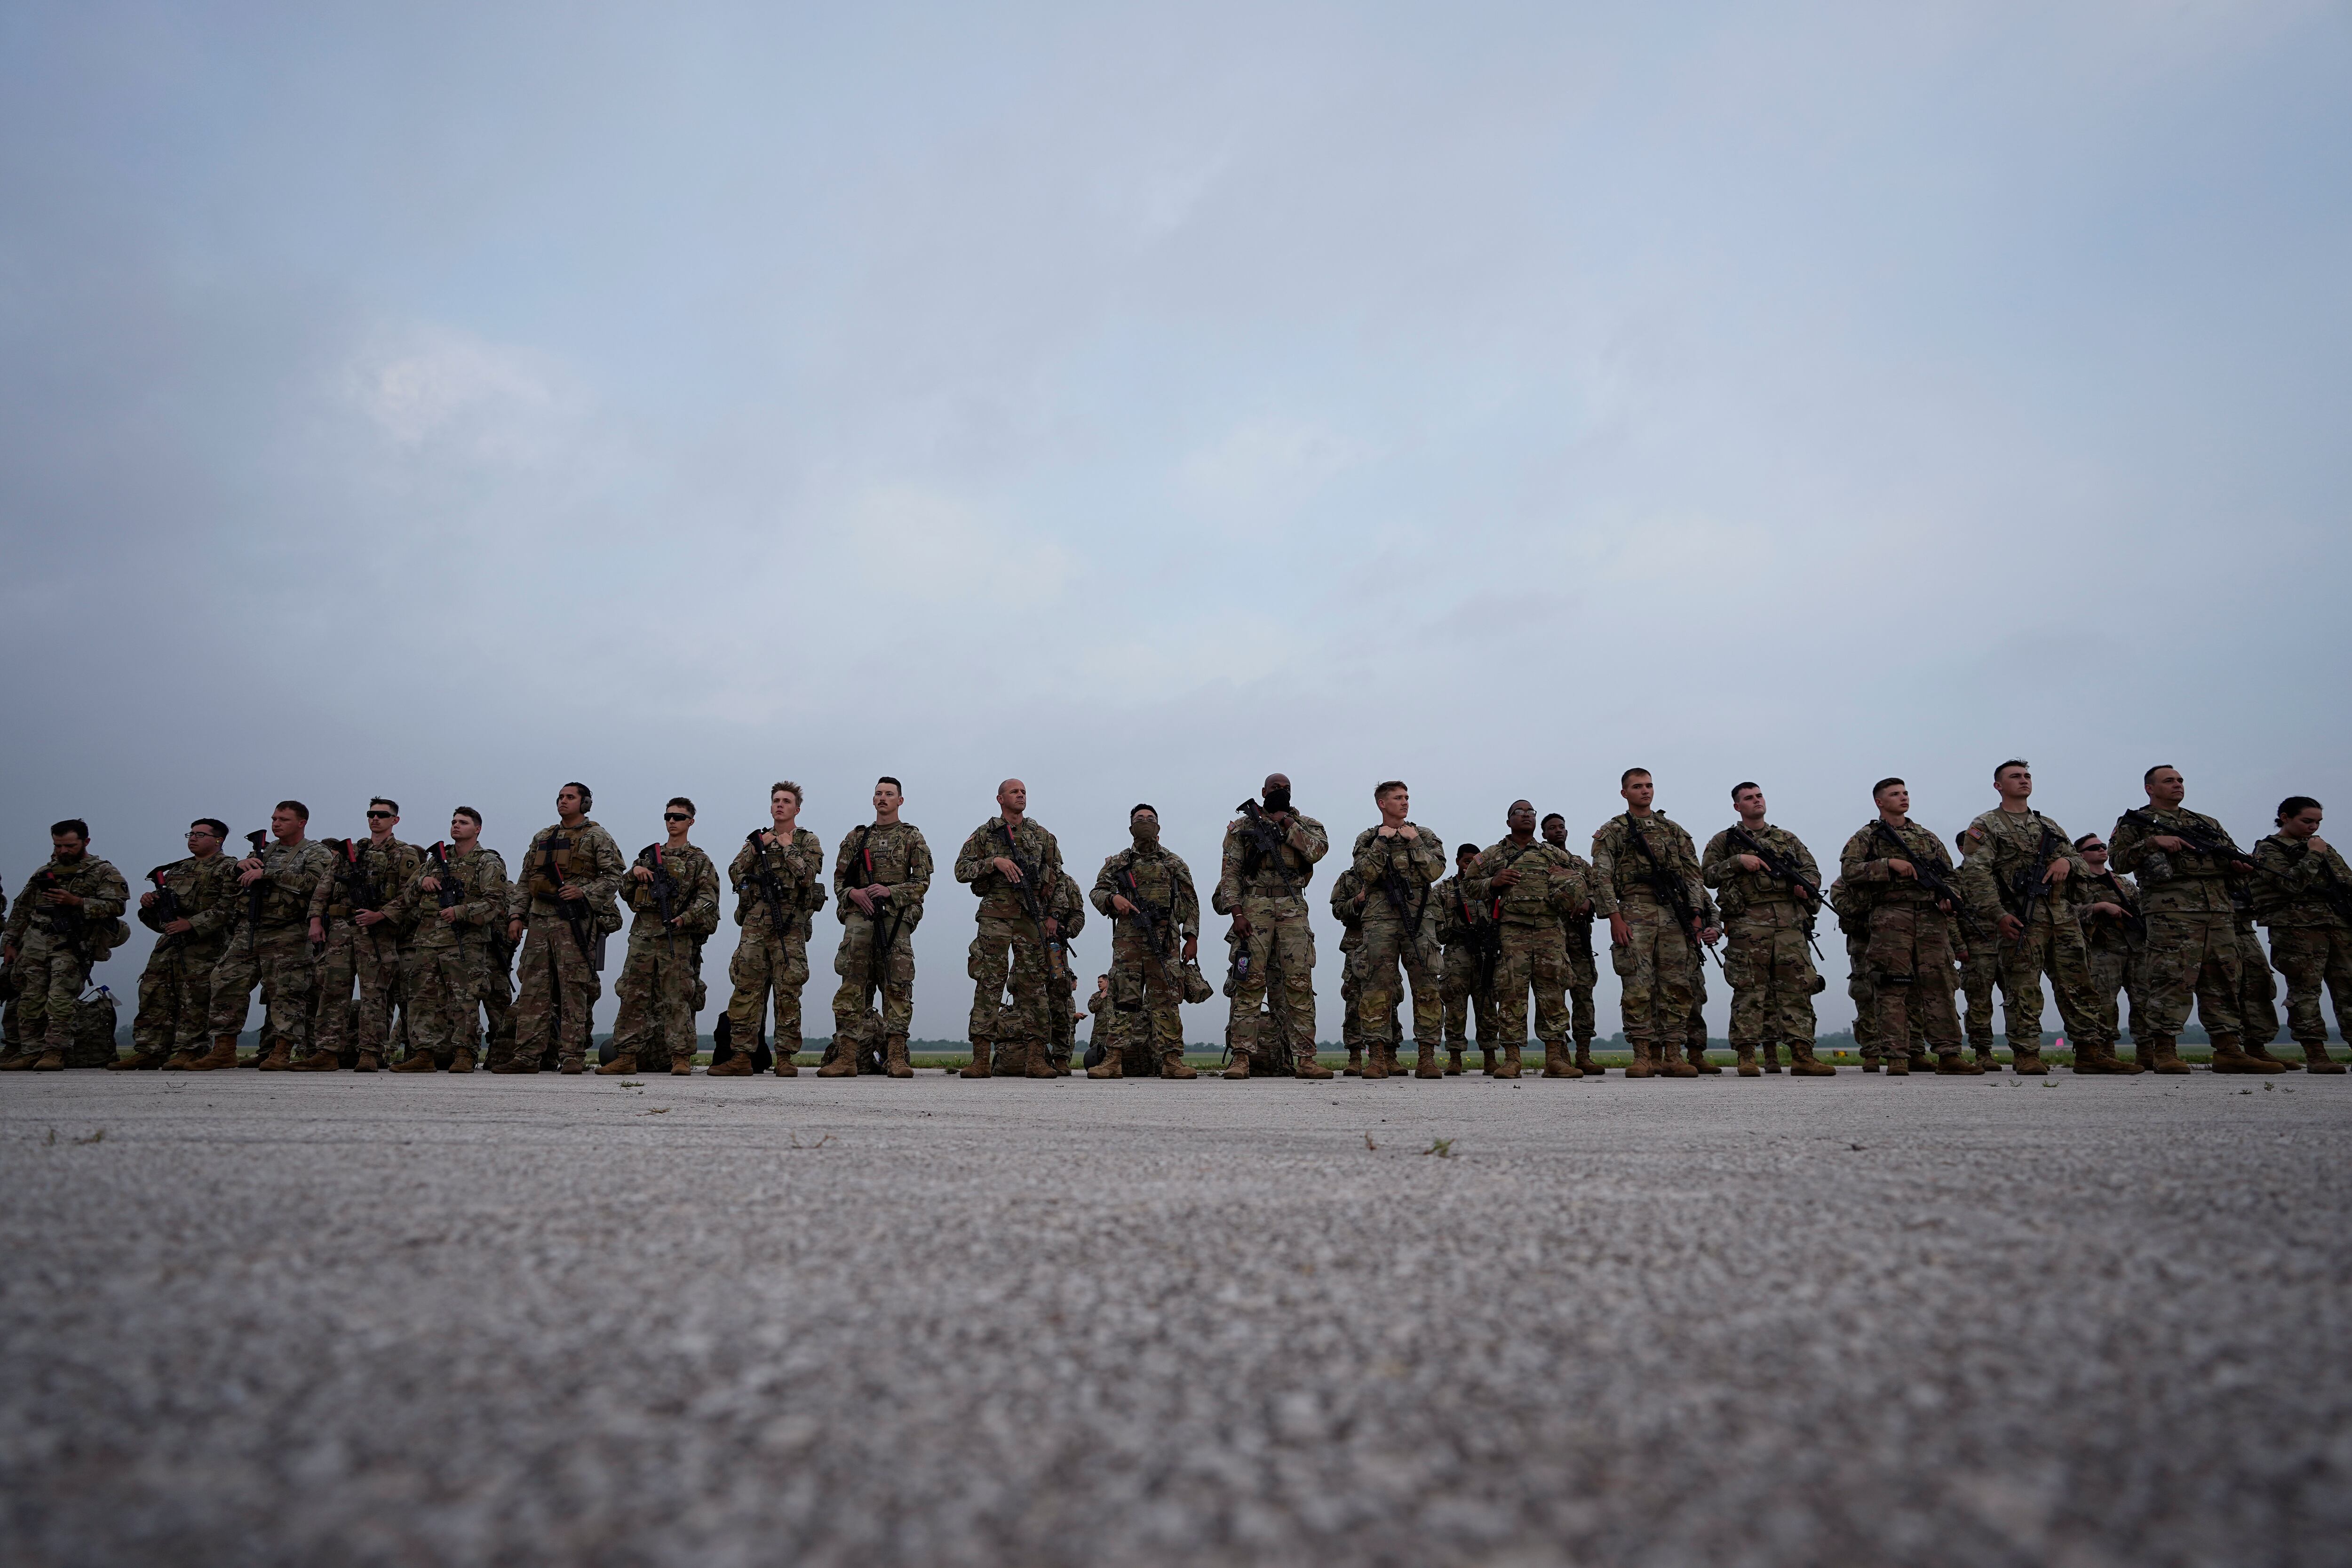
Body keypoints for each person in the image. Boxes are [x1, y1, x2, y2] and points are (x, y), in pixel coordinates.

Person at [2106, 766, 2281, 1074]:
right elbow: (2118, 862)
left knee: (2225, 980)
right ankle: (2164, 1050)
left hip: (2218, 911)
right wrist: (2152, 843)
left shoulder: (2205, 822)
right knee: (2171, 979)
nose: (2177, 785)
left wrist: (2239, 867)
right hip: (2171, 913)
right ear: (2150, 788)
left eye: (2180, 780)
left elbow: (2229, 856)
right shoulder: (2135, 822)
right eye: (2169, 781)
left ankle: (2228, 1049)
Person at [1957, 762, 2128, 1075]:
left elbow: (2078, 860)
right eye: (2015, 776)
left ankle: (2090, 1051)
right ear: (1998, 785)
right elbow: (1976, 875)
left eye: (2026, 776)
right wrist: (1998, 914)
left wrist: (2065, 860)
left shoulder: (2047, 825)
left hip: (2062, 915)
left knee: (2079, 984)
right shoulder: (1986, 825)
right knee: (2023, 987)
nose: (2023, 780)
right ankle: (2026, 1053)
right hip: (2022, 916)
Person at [1836, 778, 1979, 1075]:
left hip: (1930, 918)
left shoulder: (1927, 837)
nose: (1903, 798)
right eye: (1894, 794)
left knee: (1940, 985)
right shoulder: (1868, 837)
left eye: (1905, 793)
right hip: (1891, 916)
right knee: (1892, 986)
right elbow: (1849, 871)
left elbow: (1951, 876)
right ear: (1879, 802)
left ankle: (1949, 1054)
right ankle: (1897, 1057)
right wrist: (1887, 864)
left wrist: (1949, 898)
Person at [1702, 783, 1835, 1077]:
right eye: (1748, 798)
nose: (1756, 801)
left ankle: (1803, 1055)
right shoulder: (1725, 840)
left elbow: (1812, 871)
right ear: (1738, 807)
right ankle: (1747, 1056)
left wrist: (1807, 887)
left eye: (1759, 796)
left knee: (1798, 990)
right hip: (1748, 924)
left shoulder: (1786, 839)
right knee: (1749, 989)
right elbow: (1707, 875)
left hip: (1789, 924)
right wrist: (1738, 861)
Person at [497, 782, 626, 1075]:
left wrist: (584, 892)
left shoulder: (597, 836)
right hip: (540, 924)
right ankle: (527, 1057)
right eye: (561, 797)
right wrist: (516, 916)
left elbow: (614, 876)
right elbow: (525, 880)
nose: (563, 801)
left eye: (570, 797)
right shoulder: (543, 837)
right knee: (533, 991)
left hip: (574, 924)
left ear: (586, 803)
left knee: (574, 990)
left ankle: (572, 1056)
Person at [1590, 770, 1707, 1078]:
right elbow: (1601, 875)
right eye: (1637, 787)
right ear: (1624, 793)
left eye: (1649, 785)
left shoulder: (1673, 829)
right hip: (1633, 910)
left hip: (1673, 913)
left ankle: (1672, 1054)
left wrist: (1696, 913)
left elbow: (1693, 872)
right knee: (1637, 984)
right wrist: (1614, 916)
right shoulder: (1613, 830)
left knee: (1677, 984)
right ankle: (1642, 1054)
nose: (1645, 791)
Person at [201, 801, 333, 1071]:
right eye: (274, 818)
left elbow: (317, 883)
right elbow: (236, 881)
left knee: (287, 991)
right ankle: (224, 1050)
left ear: (301, 823)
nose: (276, 824)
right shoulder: (264, 850)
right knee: (226, 981)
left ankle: (281, 1053)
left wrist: (269, 874)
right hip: (250, 928)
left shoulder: (316, 852)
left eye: (283, 819)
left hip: (289, 932)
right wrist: (239, 866)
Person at [1216, 773, 1330, 1080]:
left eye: (1286, 789)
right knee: (1249, 982)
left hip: (1293, 908)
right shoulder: (1243, 827)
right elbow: (1230, 874)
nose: (1281, 792)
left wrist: (1287, 824)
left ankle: (1305, 1059)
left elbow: (1318, 851)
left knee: (1299, 983)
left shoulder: (1307, 825)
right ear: (1263, 792)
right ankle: (1241, 1058)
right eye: (1275, 788)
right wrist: (1237, 914)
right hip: (1254, 908)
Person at [1464, 800, 1587, 1079]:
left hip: (1550, 930)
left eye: (1531, 813)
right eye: (1519, 813)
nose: (1527, 816)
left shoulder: (1552, 853)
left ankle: (1555, 1059)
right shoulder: (1492, 855)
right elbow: (1469, 885)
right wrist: (1492, 883)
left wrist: (1569, 878)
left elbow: (1587, 874)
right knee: (1511, 993)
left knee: (1553, 992)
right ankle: (1512, 1060)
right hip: (1512, 931)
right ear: (1508, 822)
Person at [953, 779, 1064, 1080]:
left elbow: (1058, 877)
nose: (1021, 795)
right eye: (1015, 792)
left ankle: (1036, 1059)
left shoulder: (1042, 836)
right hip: (996, 917)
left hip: (1031, 919)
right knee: (989, 983)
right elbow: (961, 869)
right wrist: (995, 862)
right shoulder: (986, 834)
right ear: (1000, 798)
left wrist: (1054, 914)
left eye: (1024, 791)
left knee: (1034, 986)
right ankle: (979, 1059)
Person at [302, 798, 422, 1073]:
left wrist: (382, 915)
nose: (375, 819)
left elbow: (410, 894)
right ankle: (327, 1051)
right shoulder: (351, 851)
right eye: (371, 814)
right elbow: (324, 886)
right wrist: (316, 921)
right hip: (342, 929)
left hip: (377, 931)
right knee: (332, 991)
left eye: (382, 815)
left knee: (374, 994)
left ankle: (370, 1053)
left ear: (395, 820)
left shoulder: (405, 854)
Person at [604, 798, 722, 1076]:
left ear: (690, 822)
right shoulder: (647, 856)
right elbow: (623, 889)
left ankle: (680, 1057)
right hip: (643, 937)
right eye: (668, 816)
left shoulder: (698, 860)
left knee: (678, 997)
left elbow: (709, 899)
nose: (672, 821)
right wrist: (634, 872)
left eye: (679, 817)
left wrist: (686, 918)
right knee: (633, 995)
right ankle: (627, 1055)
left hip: (676, 938)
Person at [0, 820, 128, 1072]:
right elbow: (22, 908)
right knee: (30, 999)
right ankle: (30, 1051)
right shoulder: (45, 872)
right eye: (58, 846)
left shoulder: (104, 872)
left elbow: (117, 907)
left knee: (60, 999)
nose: (63, 851)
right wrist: (10, 943)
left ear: (86, 842)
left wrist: (78, 902)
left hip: (72, 944)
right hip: (36, 944)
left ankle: (55, 1051)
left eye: (69, 846)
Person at [717, 783, 826, 1077]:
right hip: (755, 923)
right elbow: (734, 873)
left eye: (786, 801)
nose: (780, 805)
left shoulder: (807, 840)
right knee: (745, 989)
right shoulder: (756, 840)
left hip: (789, 924)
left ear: (797, 809)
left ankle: (786, 1057)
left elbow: (807, 876)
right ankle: (741, 1056)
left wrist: (788, 847)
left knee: (788, 990)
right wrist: (758, 847)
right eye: (776, 801)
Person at [826, 776, 931, 1079]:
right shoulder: (856, 838)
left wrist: (891, 892)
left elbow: (922, 882)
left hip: (894, 918)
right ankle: (847, 1056)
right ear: (873, 800)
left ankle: (896, 1056)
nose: (883, 798)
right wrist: (852, 894)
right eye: (878, 794)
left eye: (889, 794)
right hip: (860, 917)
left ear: (900, 800)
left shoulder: (912, 837)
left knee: (897, 984)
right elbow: (839, 880)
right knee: (853, 983)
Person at [118, 819, 241, 1069]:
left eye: (200, 834)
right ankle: (149, 1050)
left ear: (219, 840)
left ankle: (190, 1050)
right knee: (154, 994)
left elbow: (230, 908)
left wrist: (192, 924)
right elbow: (164, 917)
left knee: (194, 999)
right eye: (191, 833)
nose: (193, 838)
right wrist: (151, 905)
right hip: (170, 945)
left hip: (206, 947)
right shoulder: (177, 870)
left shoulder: (229, 868)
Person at [1089, 804, 1201, 1080]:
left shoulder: (1173, 862)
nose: (1145, 823)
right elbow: (1097, 891)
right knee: (1124, 1000)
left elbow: (1190, 901)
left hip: (1164, 941)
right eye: (1140, 819)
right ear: (1131, 828)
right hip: (1128, 943)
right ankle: (1113, 1059)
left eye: (1151, 819)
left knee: (1166, 1000)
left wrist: (1192, 937)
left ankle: (1171, 1060)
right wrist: (1112, 899)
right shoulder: (1118, 863)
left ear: (1159, 827)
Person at [392, 808, 508, 1073]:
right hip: (428, 940)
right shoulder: (434, 861)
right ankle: (423, 1054)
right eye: (454, 822)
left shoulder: (487, 861)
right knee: (422, 999)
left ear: (477, 829)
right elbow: (408, 895)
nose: (456, 826)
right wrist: (425, 880)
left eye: (463, 823)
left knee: (464, 1000)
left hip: (464, 942)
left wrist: (461, 911)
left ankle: (465, 1054)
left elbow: (495, 903)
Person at [1349, 781, 1448, 1079]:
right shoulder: (1368, 839)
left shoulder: (1425, 835)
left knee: (1427, 986)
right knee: (1376, 987)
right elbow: (1364, 873)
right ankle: (1377, 1058)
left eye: (1407, 797)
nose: (1405, 803)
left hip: (1420, 918)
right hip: (1380, 919)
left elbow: (1435, 871)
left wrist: (1414, 842)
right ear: (1382, 804)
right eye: (1398, 798)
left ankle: (1427, 1057)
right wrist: (1382, 842)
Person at [2252, 796, 2351, 1073]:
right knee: (2305, 991)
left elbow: (2345, 880)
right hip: (2297, 930)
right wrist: (2315, 854)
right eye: (2307, 821)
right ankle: (2316, 1054)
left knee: (2349, 990)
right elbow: (2291, 883)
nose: (2314, 827)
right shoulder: (2268, 849)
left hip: (2338, 926)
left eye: (2318, 822)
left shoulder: (2321, 846)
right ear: (2285, 818)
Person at [1538, 815, 1605, 1075]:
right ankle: (1558, 1054)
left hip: (1580, 941)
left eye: (1562, 827)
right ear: (1544, 834)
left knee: (1584, 994)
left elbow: (1600, 891)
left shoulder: (1579, 864)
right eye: (1552, 828)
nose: (1558, 831)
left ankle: (1584, 1053)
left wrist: (1589, 902)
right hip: (1552, 940)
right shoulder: (1543, 862)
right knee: (1553, 997)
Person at [2073, 833, 2147, 1066]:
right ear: (2081, 856)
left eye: (2103, 846)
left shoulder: (2123, 882)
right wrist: (2098, 907)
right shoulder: (2077, 883)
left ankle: (2148, 1051)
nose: (2102, 850)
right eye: (2094, 847)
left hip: (2136, 947)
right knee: (2104, 1003)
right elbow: (2067, 911)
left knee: (2145, 999)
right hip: (2103, 949)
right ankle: (2104, 1051)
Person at [1434, 843, 1495, 1075]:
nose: (1470, 865)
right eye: (1466, 861)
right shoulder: (1444, 890)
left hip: (1484, 953)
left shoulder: (1487, 888)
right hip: (1456, 952)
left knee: (1487, 1006)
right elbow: (1435, 923)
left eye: (1475, 861)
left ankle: (1490, 1057)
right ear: (1458, 861)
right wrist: (1453, 929)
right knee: (1455, 1008)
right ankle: (1455, 1058)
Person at [1952, 826, 2008, 1070]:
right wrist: (1959, 945)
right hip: (1976, 948)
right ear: (1962, 849)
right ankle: (1983, 1052)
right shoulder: (1956, 878)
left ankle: (2026, 1050)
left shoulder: (2001, 875)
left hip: (2008, 945)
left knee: (2019, 1000)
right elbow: (1950, 916)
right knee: (1979, 1003)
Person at [1042, 867, 1089, 1075]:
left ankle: (1061, 1057)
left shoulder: (1066, 882)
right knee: (1026, 999)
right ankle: (1030, 1055)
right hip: (1026, 946)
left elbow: (1079, 915)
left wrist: (1067, 930)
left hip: (1055, 950)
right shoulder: (1025, 875)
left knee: (1060, 1001)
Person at [1330, 864, 1371, 1075]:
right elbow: (1337, 910)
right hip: (1356, 944)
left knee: (1389, 998)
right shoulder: (1348, 877)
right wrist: (1357, 901)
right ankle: (1355, 1056)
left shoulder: (1390, 874)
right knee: (1354, 999)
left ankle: (1387, 1056)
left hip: (1385, 943)